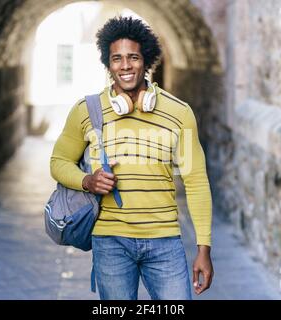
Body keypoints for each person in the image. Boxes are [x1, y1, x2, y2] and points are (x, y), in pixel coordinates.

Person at [50, 16, 214, 300]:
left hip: (165, 242)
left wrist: (204, 249)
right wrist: (87, 181)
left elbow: (196, 181)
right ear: (108, 64)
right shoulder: (86, 110)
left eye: (133, 57)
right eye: (117, 59)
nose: (125, 66)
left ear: (146, 60)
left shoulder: (179, 113)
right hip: (110, 241)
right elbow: (58, 162)